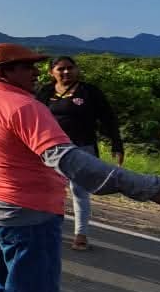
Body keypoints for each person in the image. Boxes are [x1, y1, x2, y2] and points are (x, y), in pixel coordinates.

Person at [0, 43, 160, 292]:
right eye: (27, 67)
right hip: (22, 216)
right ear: (2, 73)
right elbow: (69, 160)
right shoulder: (23, 106)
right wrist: (153, 188)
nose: (36, 72)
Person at [35, 56, 125, 251]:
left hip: (82, 148)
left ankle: (80, 234)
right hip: (50, 149)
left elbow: (108, 119)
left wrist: (117, 144)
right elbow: (34, 118)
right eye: (61, 69)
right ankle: (47, 229)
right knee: (48, 189)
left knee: (79, 192)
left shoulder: (89, 92)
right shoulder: (45, 91)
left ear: (77, 69)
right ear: (51, 72)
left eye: (70, 68)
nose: (66, 72)